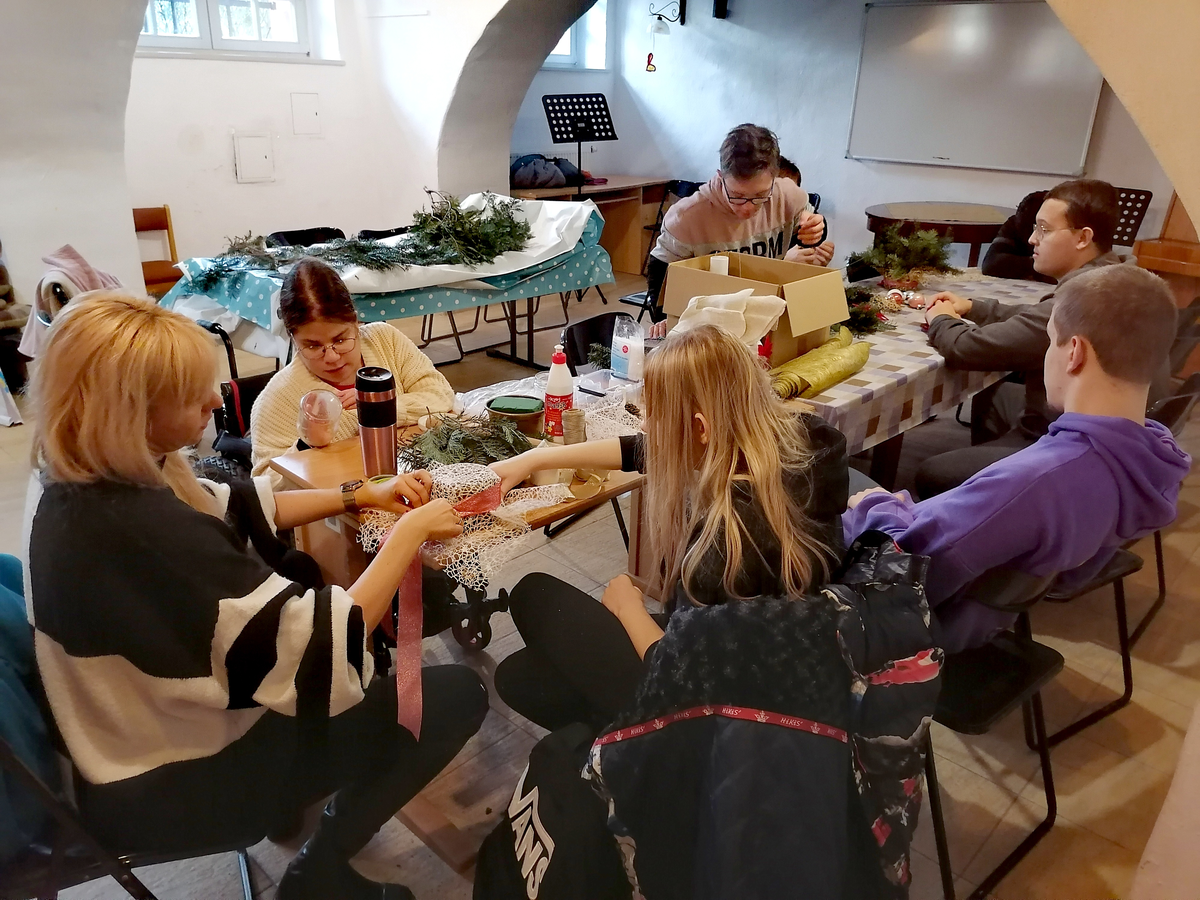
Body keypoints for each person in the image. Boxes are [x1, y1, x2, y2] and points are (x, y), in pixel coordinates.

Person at [24, 294, 488, 900]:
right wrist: (410, 533)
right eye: (192, 395)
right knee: (448, 697)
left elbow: (234, 503)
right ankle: (320, 867)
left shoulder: (76, 476)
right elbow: (323, 652)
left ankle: (300, 813)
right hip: (171, 779)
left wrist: (360, 493)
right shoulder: (137, 531)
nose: (215, 401)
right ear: (129, 411)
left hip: (120, 736)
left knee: (307, 581)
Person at [487, 324, 849, 732]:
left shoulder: (727, 542)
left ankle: (636, 751)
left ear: (701, 427)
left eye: (654, 415)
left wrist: (628, 607)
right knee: (520, 677)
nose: (645, 426)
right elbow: (644, 450)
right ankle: (606, 734)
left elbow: (681, 673)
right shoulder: (806, 443)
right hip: (777, 671)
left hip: (714, 710)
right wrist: (533, 459)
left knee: (533, 594)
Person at [843, 265, 1189, 652]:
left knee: (832, 478)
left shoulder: (1034, 481)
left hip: (911, 629)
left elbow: (901, 571)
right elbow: (1071, 574)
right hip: (986, 618)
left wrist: (874, 507)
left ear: (1074, 353)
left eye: (1051, 341)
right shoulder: (1154, 460)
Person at [915, 178, 1171, 497]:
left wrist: (940, 316)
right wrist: (974, 307)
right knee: (993, 394)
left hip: (1070, 445)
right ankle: (997, 486)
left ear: (1083, 238)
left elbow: (965, 348)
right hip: (1123, 437)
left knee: (931, 473)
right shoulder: (1117, 281)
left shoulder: (1084, 303)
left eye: (1044, 229)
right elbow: (1038, 316)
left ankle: (1005, 487)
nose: (1032, 239)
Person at [251, 258, 455, 487]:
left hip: (413, 481)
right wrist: (306, 443)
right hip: (341, 502)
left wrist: (381, 410)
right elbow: (264, 489)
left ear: (356, 322)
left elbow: (441, 395)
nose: (331, 357)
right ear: (293, 338)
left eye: (340, 340)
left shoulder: (386, 340)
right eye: (313, 346)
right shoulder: (278, 397)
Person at [644, 124, 829, 321]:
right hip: (712, 321)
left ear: (774, 178)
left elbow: (807, 232)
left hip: (769, 315)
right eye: (737, 195)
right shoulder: (686, 217)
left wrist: (816, 230)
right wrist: (664, 321)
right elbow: (659, 282)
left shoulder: (788, 195)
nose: (748, 208)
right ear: (720, 177)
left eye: (760, 195)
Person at [980, 189, 1055, 283]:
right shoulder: (1017, 222)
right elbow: (991, 264)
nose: (1031, 239)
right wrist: (1039, 265)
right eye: (1034, 228)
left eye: (1042, 229)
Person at [778, 154, 836, 267]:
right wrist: (784, 263)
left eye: (793, 193)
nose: (787, 201)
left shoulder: (800, 223)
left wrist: (815, 263)